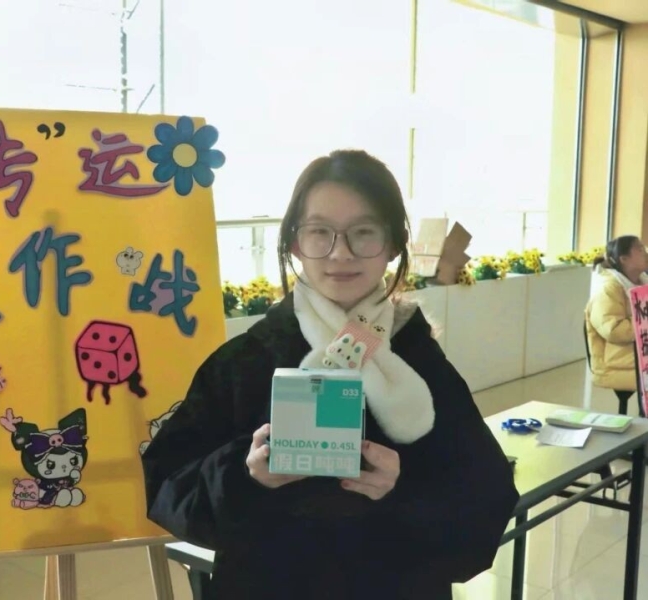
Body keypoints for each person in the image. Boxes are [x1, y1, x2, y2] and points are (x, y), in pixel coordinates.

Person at [141, 150, 519, 600]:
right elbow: (165, 486)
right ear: (294, 243)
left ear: (394, 244)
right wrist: (245, 475)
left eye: (364, 232)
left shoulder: (420, 363)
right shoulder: (245, 361)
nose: (340, 253)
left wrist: (400, 493)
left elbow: (486, 503)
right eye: (319, 231)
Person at [585, 235, 648, 392]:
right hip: (616, 361)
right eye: (640, 249)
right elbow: (613, 330)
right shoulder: (608, 289)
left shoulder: (643, 281)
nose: (646, 252)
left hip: (638, 351)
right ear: (624, 259)